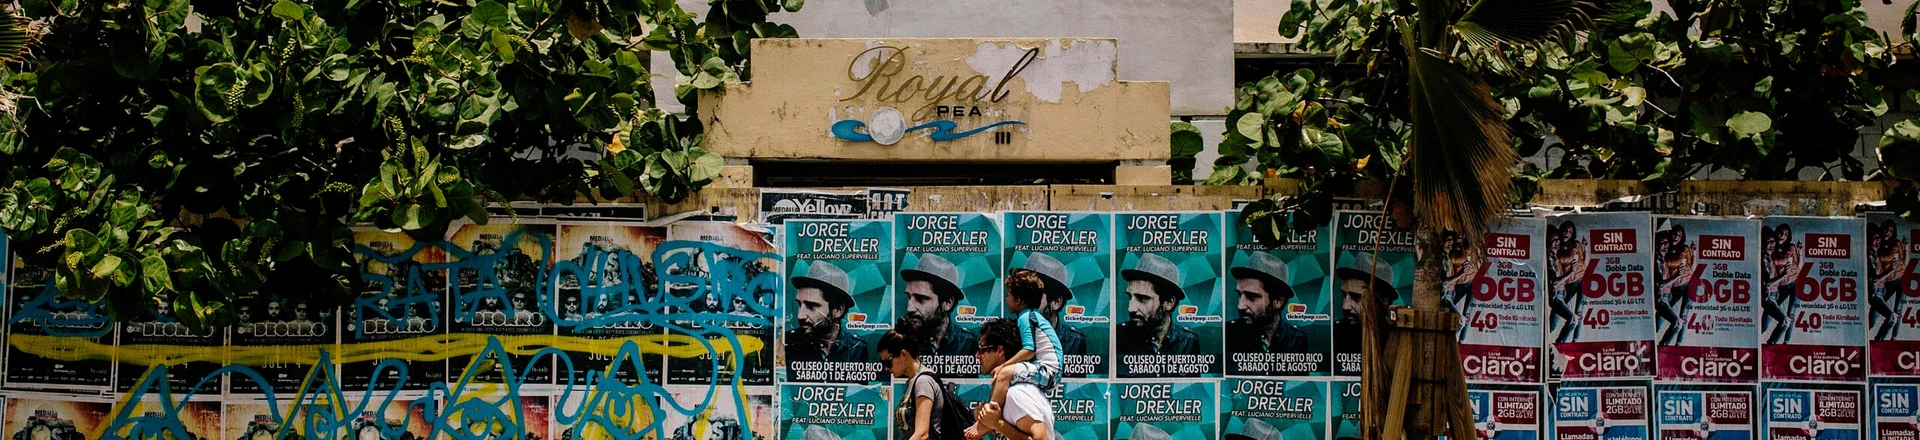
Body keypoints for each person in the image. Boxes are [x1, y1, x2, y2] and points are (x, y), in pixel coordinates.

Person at [963, 270, 1063, 438]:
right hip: (1047, 370)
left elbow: (1029, 350)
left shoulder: (1026, 317)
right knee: (1004, 375)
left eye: (1008, 295)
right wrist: (996, 422)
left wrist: (1004, 365)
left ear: (1018, 299)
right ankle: (987, 417)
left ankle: (985, 422)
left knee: (1005, 373)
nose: (1006, 299)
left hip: (1049, 370)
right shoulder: (1030, 317)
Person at [966, 318, 1059, 440]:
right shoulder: (1008, 392)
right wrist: (990, 423)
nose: (977, 356)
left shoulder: (1017, 394)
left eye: (981, 349)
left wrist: (997, 423)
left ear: (999, 350)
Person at [1227, 252, 1308, 355]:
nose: (1240, 306)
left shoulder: (1297, 339)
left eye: (1252, 297)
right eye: (1239, 295)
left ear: (1278, 301)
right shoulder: (1228, 334)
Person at [1117, 254, 1199, 355]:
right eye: (1130, 297)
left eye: (1142, 298)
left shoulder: (1188, 341)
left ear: (1169, 302)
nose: (1131, 308)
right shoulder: (1118, 336)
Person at [788, 262, 869, 363]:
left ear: (838, 310)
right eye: (800, 304)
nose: (800, 316)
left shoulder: (857, 348)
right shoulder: (788, 344)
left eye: (811, 306)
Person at [901, 254, 979, 356]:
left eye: (921, 299)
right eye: (909, 297)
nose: (910, 308)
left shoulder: (967, 343)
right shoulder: (901, 342)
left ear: (947, 303)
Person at [882, 319, 943, 440]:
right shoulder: (913, 381)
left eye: (888, 362)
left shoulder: (923, 382)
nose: (886, 368)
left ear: (904, 354)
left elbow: (922, 434)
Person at [1332, 252, 1397, 358]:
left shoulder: (1395, 339)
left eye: (1357, 297)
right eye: (1344, 295)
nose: (1346, 306)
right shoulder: (1335, 334)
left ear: (1384, 300)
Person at [1021, 253, 1086, 356]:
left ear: (1056, 302)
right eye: (1022, 294)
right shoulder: (1010, 336)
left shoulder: (1074, 340)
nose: (1024, 302)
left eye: (1034, 295)